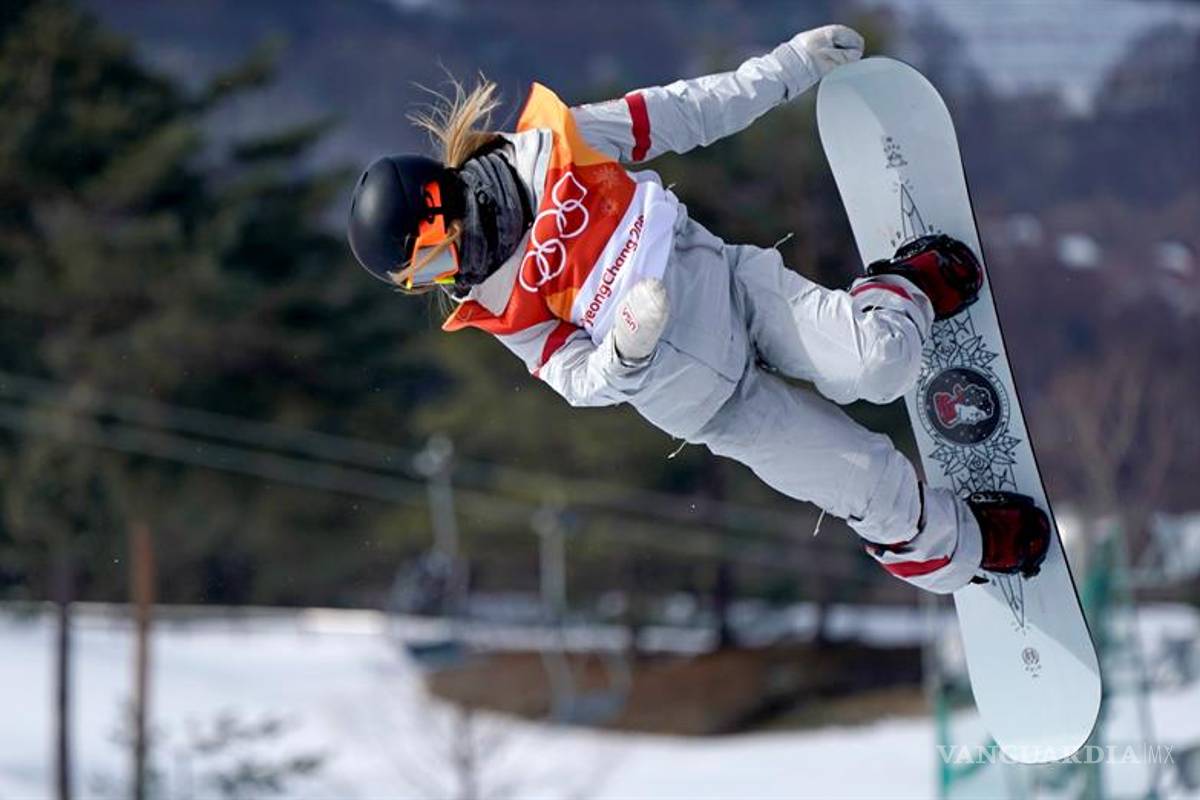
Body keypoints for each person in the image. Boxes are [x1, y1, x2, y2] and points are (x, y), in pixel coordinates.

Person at [346, 25, 1049, 594]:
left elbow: (690, 109)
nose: (446, 279)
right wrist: (625, 355)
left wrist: (788, 67)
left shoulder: (561, 146)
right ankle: (974, 546)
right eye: (422, 280)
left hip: (736, 292)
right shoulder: (498, 305)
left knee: (882, 363)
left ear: (442, 205)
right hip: (715, 406)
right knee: (871, 487)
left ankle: (910, 287)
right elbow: (578, 382)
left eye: (431, 258)